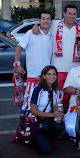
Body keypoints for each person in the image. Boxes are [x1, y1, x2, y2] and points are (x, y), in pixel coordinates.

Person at [32, 4, 80, 113]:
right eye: (69, 13)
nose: (71, 16)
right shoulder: (55, 25)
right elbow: (43, 25)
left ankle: (71, 120)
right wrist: (35, 25)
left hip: (75, 69)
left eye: (74, 14)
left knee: (73, 98)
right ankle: (58, 121)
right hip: (58, 69)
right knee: (58, 98)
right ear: (64, 14)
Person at [12, 11, 53, 142]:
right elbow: (19, 47)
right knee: (27, 107)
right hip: (33, 78)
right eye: (43, 19)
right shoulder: (31, 33)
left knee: (46, 106)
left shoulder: (52, 35)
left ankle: (42, 134)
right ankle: (20, 133)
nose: (46, 21)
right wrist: (17, 64)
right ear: (39, 20)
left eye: (48, 19)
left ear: (51, 21)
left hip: (48, 79)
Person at [30, 65, 64, 155]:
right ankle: (34, 139)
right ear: (44, 76)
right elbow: (33, 111)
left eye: (54, 74)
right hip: (37, 121)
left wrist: (58, 115)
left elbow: (56, 105)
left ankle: (49, 137)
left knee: (60, 125)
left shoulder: (55, 89)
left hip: (48, 120)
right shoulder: (37, 90)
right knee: (46, 151)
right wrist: (53, 115)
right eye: (49, 74)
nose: (52, 77)